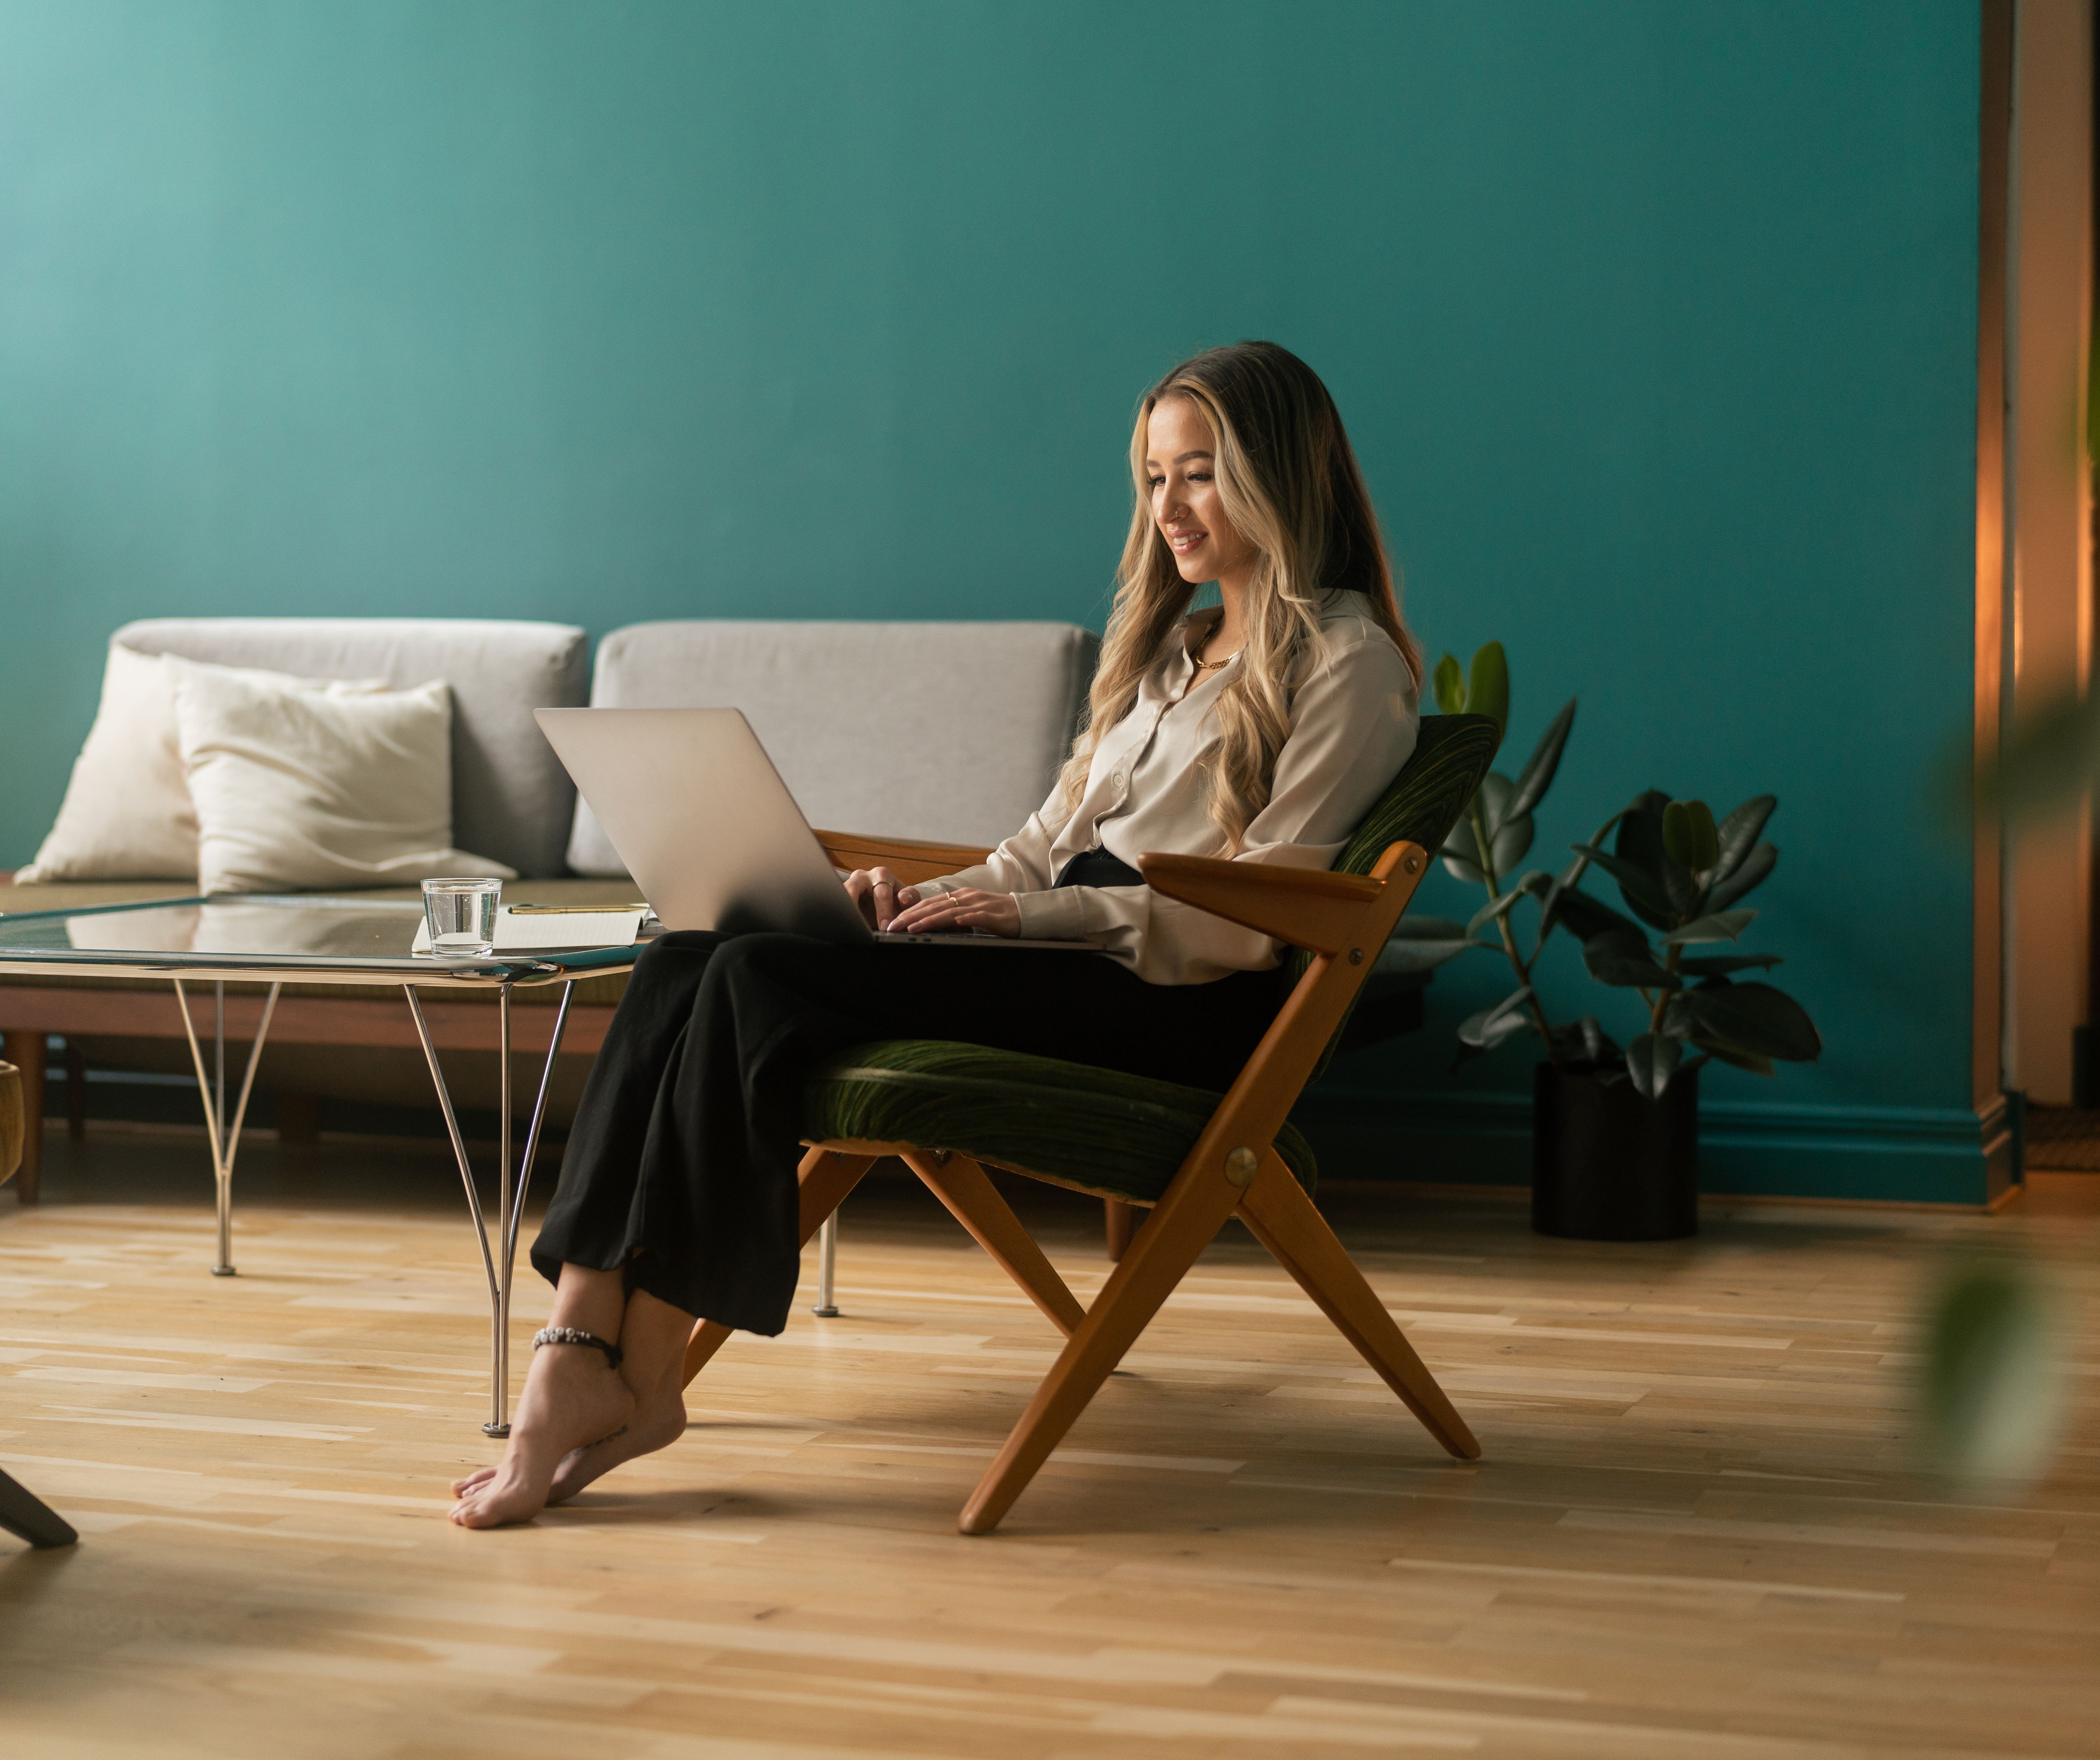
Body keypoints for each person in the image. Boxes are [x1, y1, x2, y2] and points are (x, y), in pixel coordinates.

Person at [450, 340, 1422, 1528]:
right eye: (1154, 477)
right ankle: (580, 1350)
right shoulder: (1166, 655)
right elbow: (1034, 847)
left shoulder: (1348, 663)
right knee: (694, 951)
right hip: (1059, 952)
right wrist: (913, 898)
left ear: (1282, 477)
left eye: (1201, 473)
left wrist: (1028, 913)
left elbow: (1254, 919)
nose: (1168, 507)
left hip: (1174, 999)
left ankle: (635, 1374)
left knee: (758, 978)